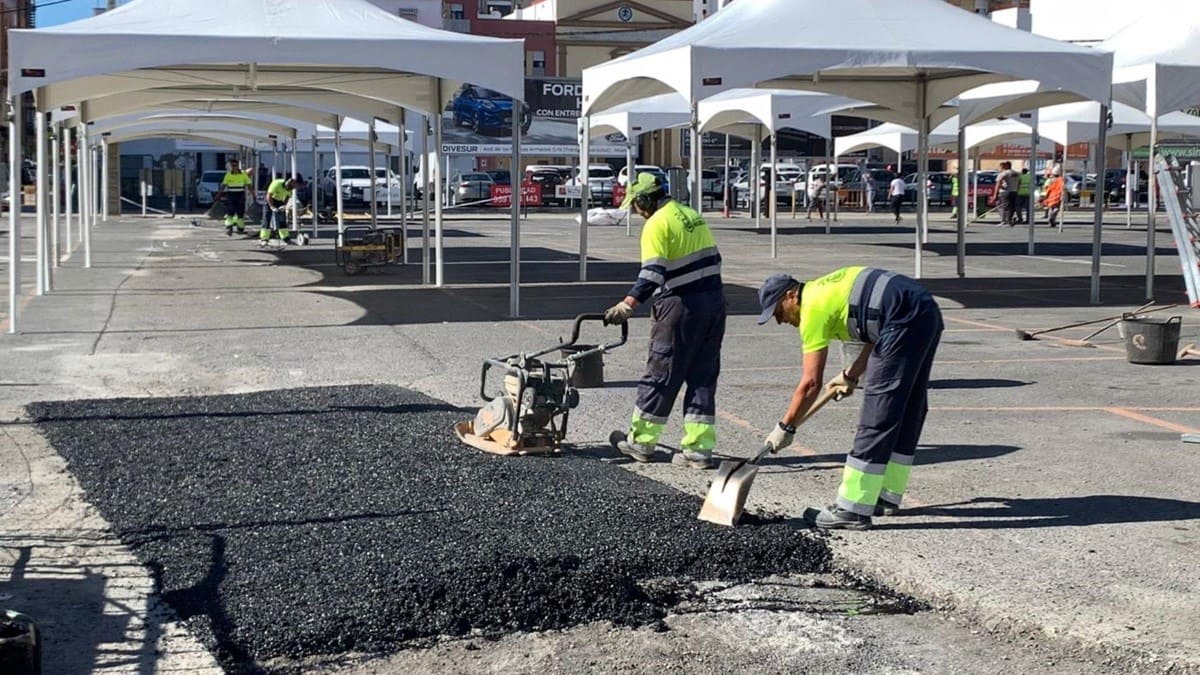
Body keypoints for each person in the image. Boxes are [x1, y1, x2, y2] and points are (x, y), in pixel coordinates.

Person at [756, 267, 943, 530]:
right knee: (908, 405)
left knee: (878, 412)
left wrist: (785, 427)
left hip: (903, 316)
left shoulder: (812, 309)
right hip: (922, 309)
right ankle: (886, 495)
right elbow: (877, 330)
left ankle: (852, 508)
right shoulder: (823, 291)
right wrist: (850, 375)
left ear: (791, 296)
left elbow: (810, 384)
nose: (780, 320)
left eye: (778, 312)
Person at [605, 172, 726, 469]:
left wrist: (627, 305)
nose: (637, 211)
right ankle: (699, 449)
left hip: (681, 306)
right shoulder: (691, 215)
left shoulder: (657, 223)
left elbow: (652, 274)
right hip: (714, 303)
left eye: (637, 204)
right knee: (702, 376)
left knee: (661, 373)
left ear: (646, 200)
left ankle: (641, 442)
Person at [215, 158, 256, 236]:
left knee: (240, 211)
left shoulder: (243, 174)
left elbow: (249, 185)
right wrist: (219, 194)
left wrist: (253, 194)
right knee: (230, 210)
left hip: (240, 194)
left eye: (235, 165)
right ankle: (229, 227)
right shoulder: (228, 175)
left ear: (238, 166)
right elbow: (223, 185)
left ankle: (240, 227)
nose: (234, 167)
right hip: (231, 194)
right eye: (232, 166)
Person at [260, 176, 300, 247]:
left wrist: (284, 205)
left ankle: (285, 238)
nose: (289, 189)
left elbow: (287, 197)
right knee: (267, 218)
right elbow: (269, 195)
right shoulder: (277, 183)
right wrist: (272, 206)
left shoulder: (290, 188)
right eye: (289, 187)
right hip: (270, 200)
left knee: (282, 219)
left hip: (279, 201)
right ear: (287, 183)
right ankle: (264, 239)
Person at [1040, 164, 1064, 228]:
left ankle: (1050, 220)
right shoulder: (1061, 180)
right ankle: (1053, 218)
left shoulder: (1051, 180)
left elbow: (1048, 189)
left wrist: (1045, 196)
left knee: (1051, 208)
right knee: (1056, 209)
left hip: (1051, 196)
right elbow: (1062, 188)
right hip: (1057, 196)